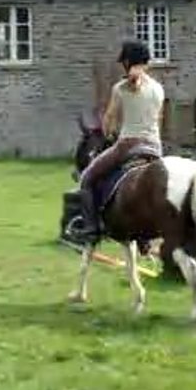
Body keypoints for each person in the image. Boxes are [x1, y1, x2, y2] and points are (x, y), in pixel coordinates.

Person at [69, 39, 165, 243]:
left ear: (128, 62)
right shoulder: (158, 89)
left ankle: (91, 228)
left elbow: (108, 122)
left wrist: (109, 133)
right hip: (155, 148)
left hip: (129, 145)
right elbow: (158, 119)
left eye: (124, 62)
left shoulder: (120, 88)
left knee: (86, 178)